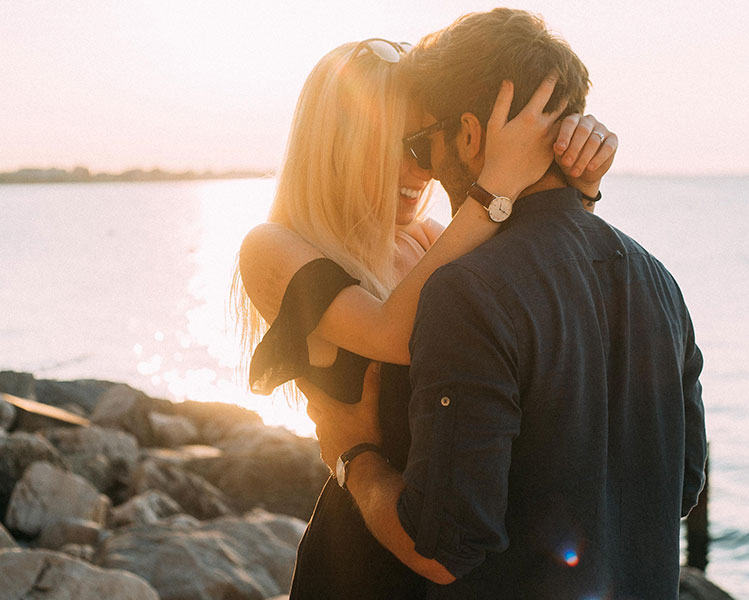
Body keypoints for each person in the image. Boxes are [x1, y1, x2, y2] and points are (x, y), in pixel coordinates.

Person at [309, 8, 707, 600]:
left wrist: (355, 457)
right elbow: (681, 487)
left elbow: (442, 549)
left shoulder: (467, 292)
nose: (419, 165)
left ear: (470, 136)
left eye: (423, 142)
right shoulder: (659, 282)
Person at [234, 34, 617, 600]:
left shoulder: (431, 239)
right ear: (337, 144)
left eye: (426, 142)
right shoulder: (274, 246)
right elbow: (397, 333)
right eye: (400, 145)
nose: (424, 169)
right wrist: (497, 182)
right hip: (363, 558)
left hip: (450, 552)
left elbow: (532, 301)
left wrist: (574, 186)